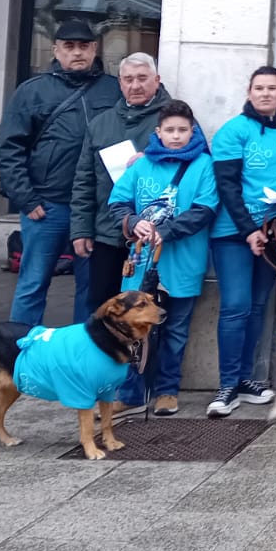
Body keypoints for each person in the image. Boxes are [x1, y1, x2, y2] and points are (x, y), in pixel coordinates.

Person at [206, 66, 276, 417]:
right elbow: (226, 184)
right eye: (259, 88)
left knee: (257, 306)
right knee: (235, 306)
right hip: (233, 232)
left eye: (272, 88)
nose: (265, 94)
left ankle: (245, 379)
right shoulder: (233, 130)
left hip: (275, 230)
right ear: (249, 91)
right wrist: (247, 229)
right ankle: (226, 385)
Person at [0, 18, 121, 327]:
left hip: (96, 209)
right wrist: (26, 199)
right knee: (32, 284)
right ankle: (20, 355)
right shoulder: (31, 91)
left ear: (94, 49)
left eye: (84, 46)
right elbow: (10, 149)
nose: (77, 53)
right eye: (69, 46)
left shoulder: (115, 88)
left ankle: (83, 358)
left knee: (91, 290)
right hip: (46, 206)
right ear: (56, 49)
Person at [105, 99, 216, 416]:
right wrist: (133, 222)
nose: (177, 135)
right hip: (141, 264)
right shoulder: (141, 165)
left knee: (177, 330)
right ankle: (131, 392)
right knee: (134, 328)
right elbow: (118, 204)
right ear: (158, 132)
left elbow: (204, 211)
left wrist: (165, 231)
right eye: (170, 130)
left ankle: (167, 391)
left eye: (183, 130)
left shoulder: (204, 166)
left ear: (192, 131)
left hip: (182, 261)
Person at [71, 53, 171, 325]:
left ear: (157, 80)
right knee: (101, 307)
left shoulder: (173, 118)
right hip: (106, 231)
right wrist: (80, 229)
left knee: (146, 310)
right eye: (128, 79)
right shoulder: (101, 123)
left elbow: (196, 162)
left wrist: (155, 157)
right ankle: (97, 366)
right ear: (120, 83)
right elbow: (84, 180)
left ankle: (141, 368)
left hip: (153, 236)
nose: (135, 86)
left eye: (142, 78)